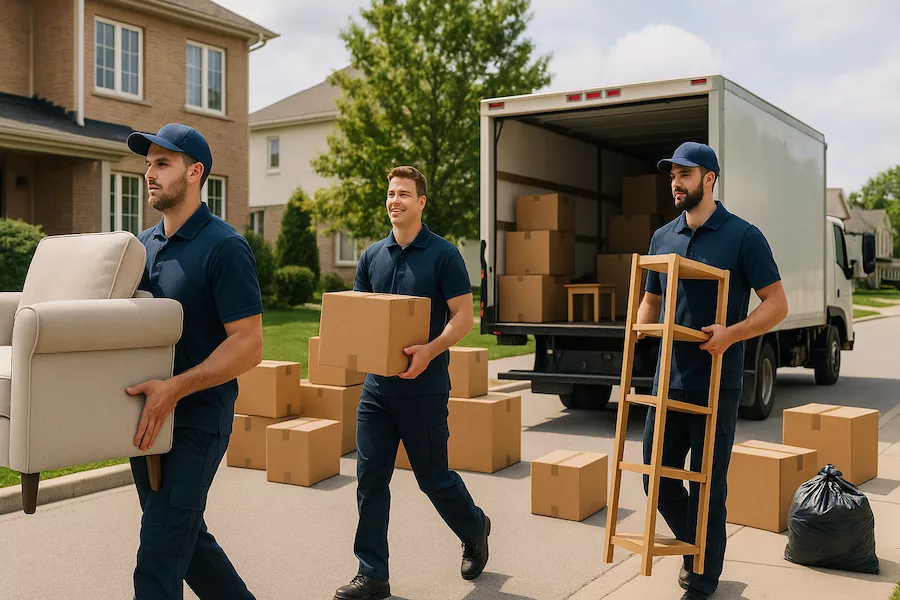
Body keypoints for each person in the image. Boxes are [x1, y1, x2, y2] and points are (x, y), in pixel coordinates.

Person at [636, 142, 789, 600]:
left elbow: (777, 305)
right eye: (672, 176)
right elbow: (652, 298)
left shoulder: (744, 236)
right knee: (655, 479)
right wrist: (640, 327)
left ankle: (703, 578)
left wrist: (731, 333)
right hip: (667, 382)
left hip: (715, 385)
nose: (676, 183)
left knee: (708, 485)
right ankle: (698, 547)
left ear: (710, 179)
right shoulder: (662, 237)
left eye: (685, 174)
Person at [334, 166, 491, 600]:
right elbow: (361, 317)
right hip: (376, 392)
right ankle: (372, 575)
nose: (394, 200)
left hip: (423, 388)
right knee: (369, 479)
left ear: (421, 202)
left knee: (433, 478)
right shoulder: (371, 256)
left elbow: (463, 317)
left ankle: (475, 527)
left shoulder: (443, 255)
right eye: (390, 193)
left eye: (404, 193)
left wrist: (429, 350)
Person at [124, 123, 264, 600]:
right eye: (148, 164)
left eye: (162, 163)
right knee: (187, 542)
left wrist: (176, 389)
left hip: (197, 422)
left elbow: (249, 343)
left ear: (195, 172)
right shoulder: (140, 247)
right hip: (146, 422)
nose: (150, 173)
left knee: (158, 559)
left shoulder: (225, 247)